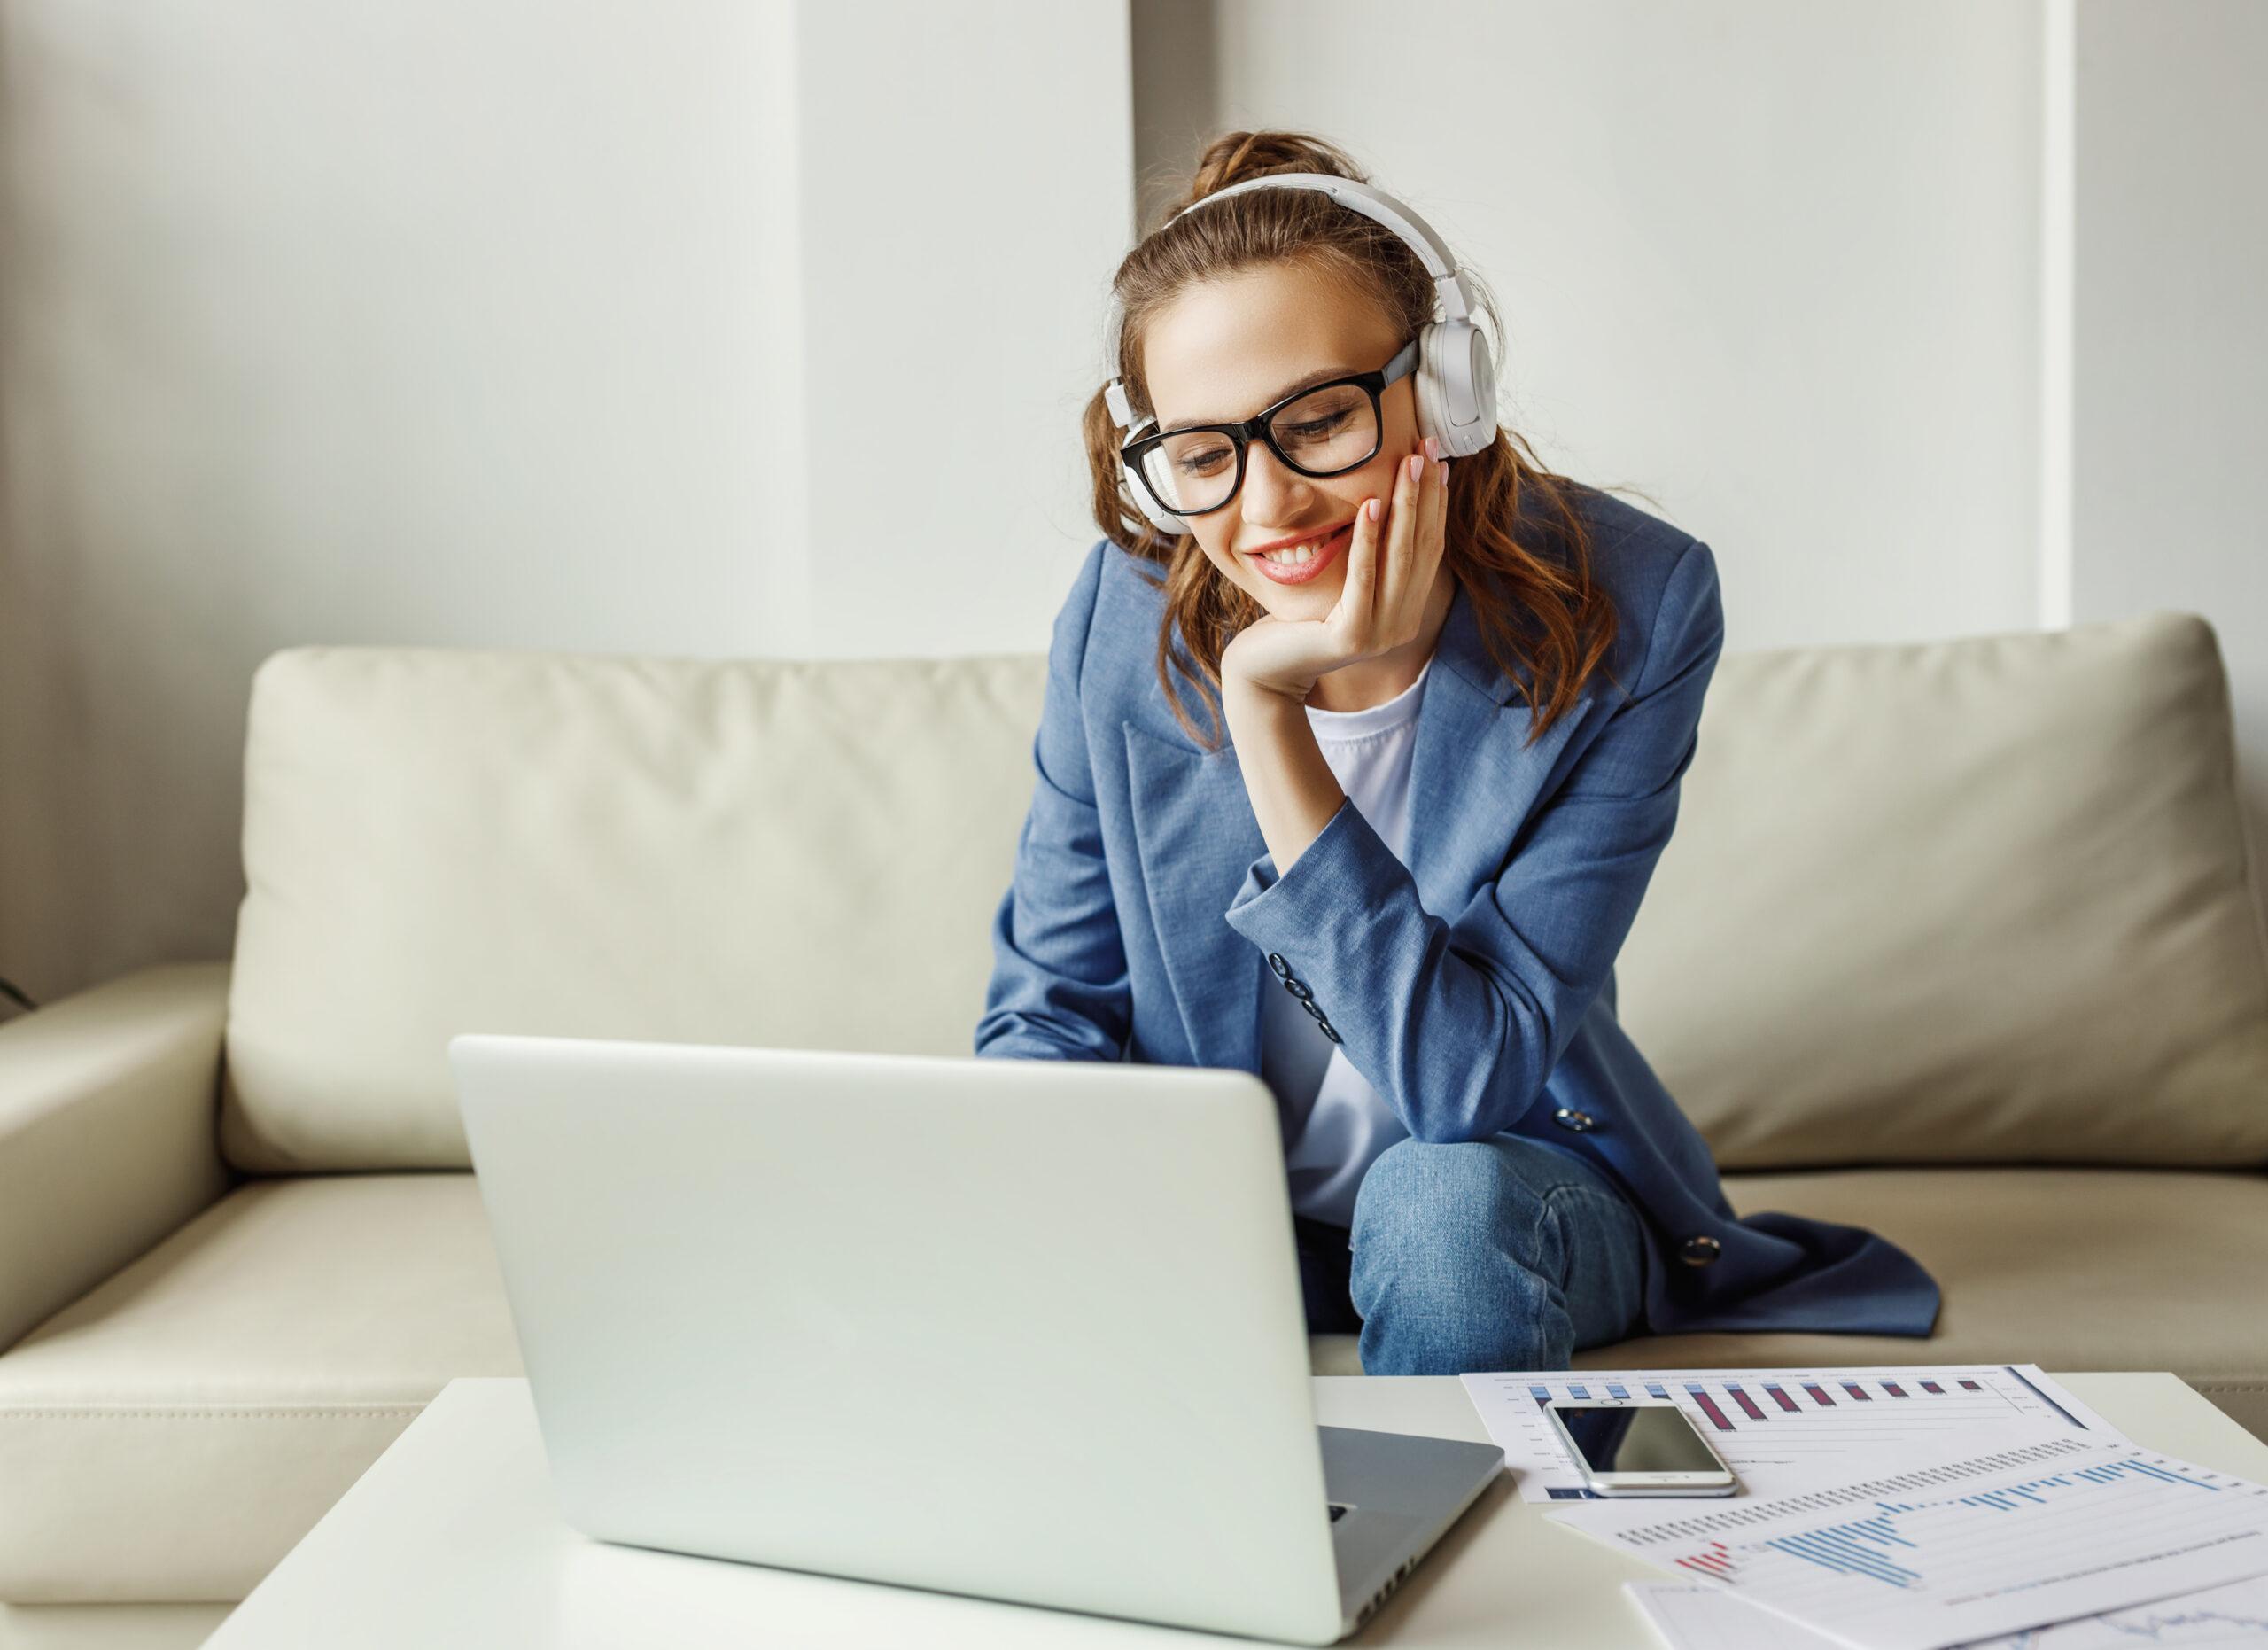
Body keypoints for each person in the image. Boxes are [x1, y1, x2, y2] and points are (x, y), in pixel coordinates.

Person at [975, 128, 1938, 1376]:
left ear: (1441, 389)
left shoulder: (1635, 610)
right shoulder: (1122, 610)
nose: (1268, 509)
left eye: (1317, 420)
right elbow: (1049, 1018)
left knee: (1433, 1205)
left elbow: (1459, 1086)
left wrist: (1274, 716)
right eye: (1205, 453)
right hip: (1231, 1220)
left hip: (1511, 1192)